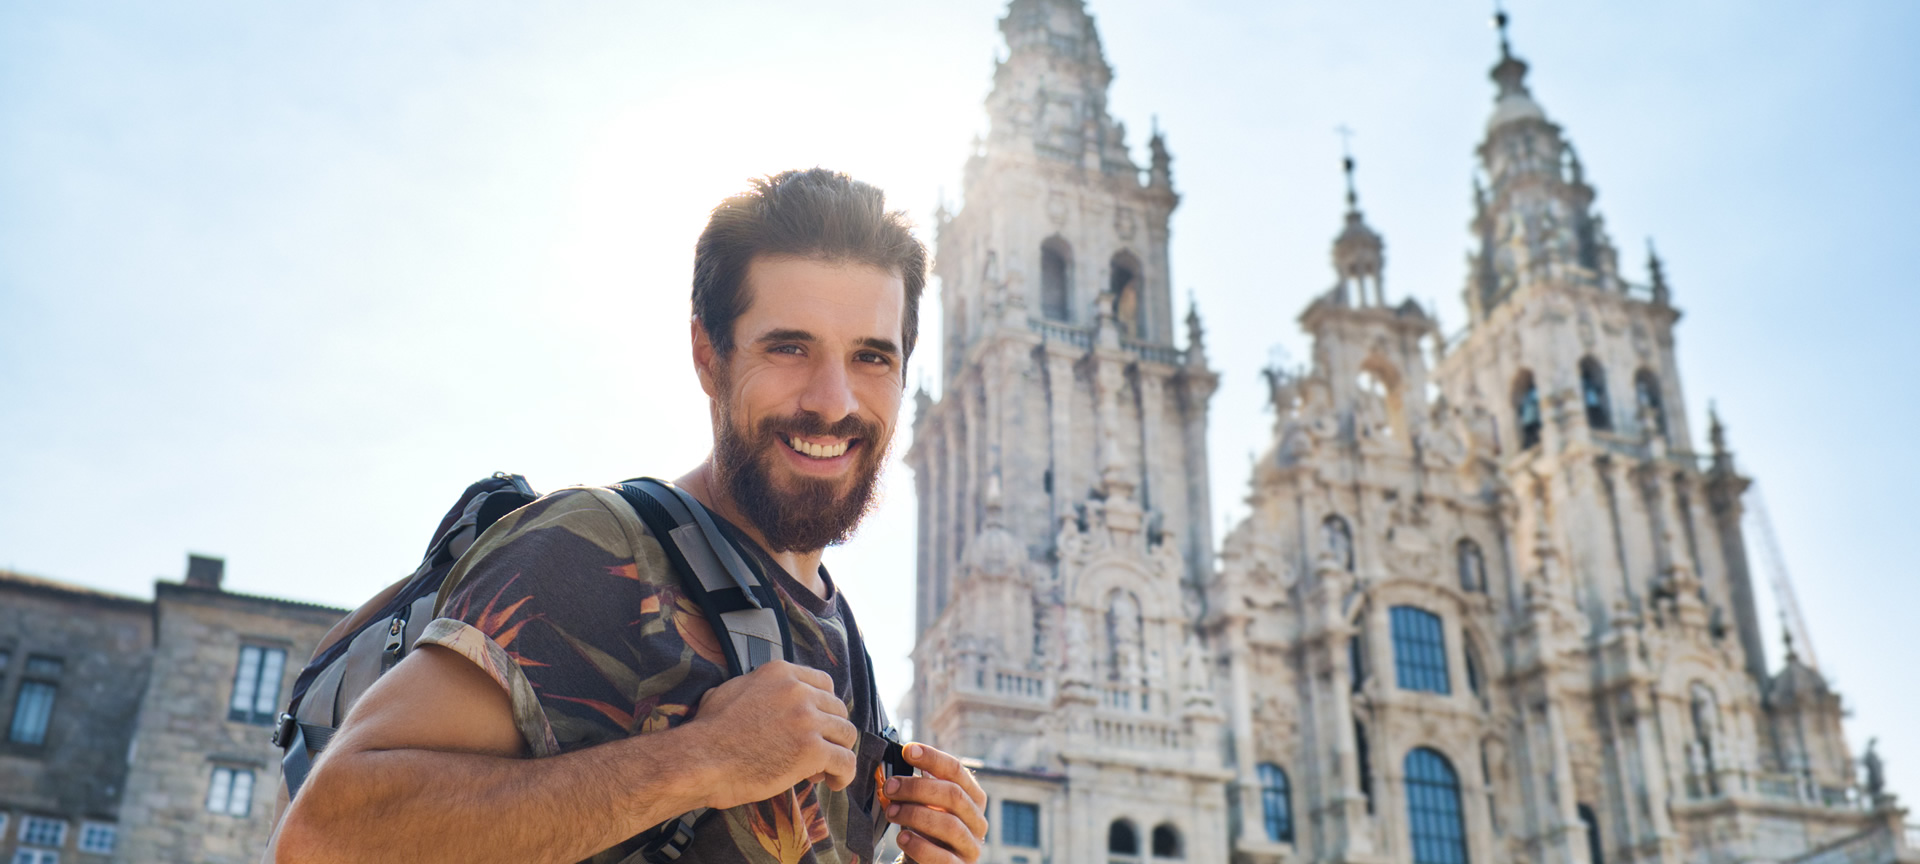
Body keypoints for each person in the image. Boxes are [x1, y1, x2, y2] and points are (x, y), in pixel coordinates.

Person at [273, 169, 988, 864]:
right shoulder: (596, 547)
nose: (833, 401)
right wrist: (701, 757)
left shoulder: (846, 642)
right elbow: (325, 840)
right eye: (789, 348)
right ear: (710, 357)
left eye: (871, 357)